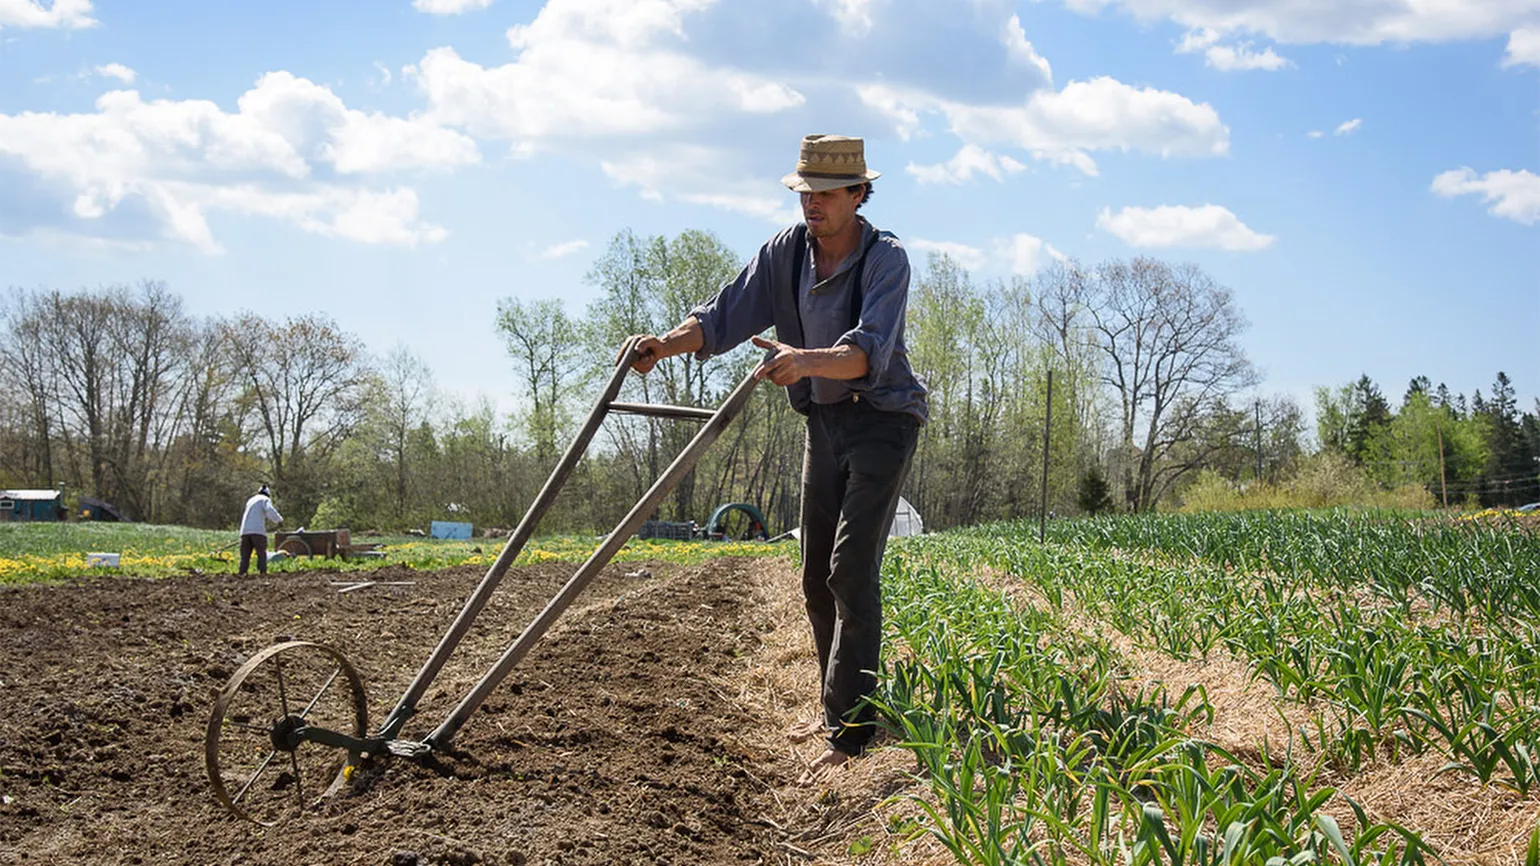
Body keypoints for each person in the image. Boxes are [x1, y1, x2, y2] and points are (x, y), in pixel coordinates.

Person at [626, 134, 927, 782]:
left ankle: (853, 735)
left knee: (851, 569)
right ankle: (836, 709)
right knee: (815, 572)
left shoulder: (886, 260)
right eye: (804, 192)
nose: (811, 204)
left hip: (884, 421)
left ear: (857, 194)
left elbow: (865, 353)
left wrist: (800, 361)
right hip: (824, 417)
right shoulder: (786, 254)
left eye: (824, 194)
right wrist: (664, 345)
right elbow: (723, 315)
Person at [238, 484, 283, 576]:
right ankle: (262, 573)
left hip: (245, 531)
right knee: (261, 554)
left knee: (245, 556)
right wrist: (279, 520)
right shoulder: (265, 500)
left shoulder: (250, 500)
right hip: (257, 531)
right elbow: (270, 510)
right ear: (267, 494)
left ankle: (242, 573)